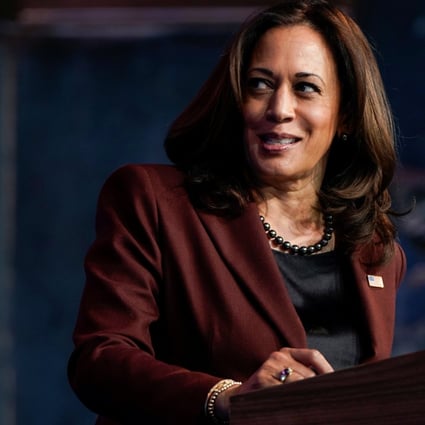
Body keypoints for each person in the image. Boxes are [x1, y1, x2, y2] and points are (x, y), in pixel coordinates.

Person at [68, 1, 407, 424]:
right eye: (260, 84)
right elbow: (100, 360)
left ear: (347, 116)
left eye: (306, 88)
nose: (279, 108)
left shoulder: (376, 250)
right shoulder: (155, 201)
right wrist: (227, 398)